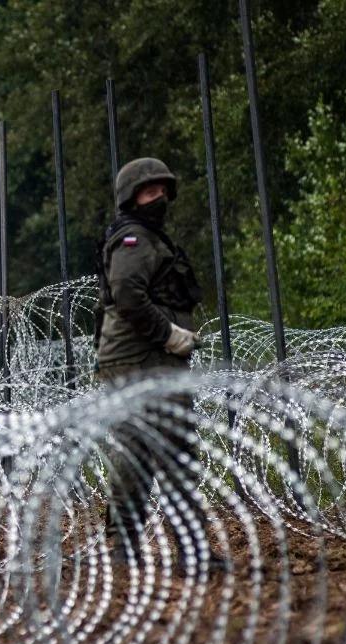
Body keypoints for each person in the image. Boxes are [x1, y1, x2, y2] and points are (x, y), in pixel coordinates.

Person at [94, 158, 220, 571]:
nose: (159, 198)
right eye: (150, 191)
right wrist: (167, 334)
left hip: (145, 359)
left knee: (154, 452)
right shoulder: (134, 238)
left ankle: (141, 549)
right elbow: (128, 294)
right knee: (156, 452)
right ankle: (155, 549)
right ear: (131, 197)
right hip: (140, 360)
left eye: (164, 190)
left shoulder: (148, 237)